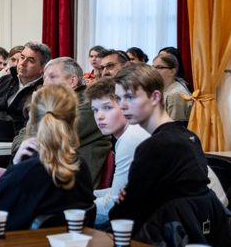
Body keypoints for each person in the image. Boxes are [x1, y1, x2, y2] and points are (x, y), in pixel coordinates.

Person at [0, 84, 94, 232]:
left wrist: (14, 166)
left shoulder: (26, 172)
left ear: (31, 118)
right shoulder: (81, 166)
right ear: (74, 121)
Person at [109, 63, 212, 231]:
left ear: (155, 97)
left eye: (130, 97)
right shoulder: (190, 137)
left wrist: (126, 198)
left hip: (160, 240)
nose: (122, 105)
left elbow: (123, 215)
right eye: (119, 98)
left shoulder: (153, 147)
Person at [36, 57, 111, 183]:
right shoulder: (54, 106)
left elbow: (48, 139)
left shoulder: (90, 106)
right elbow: (22, 138)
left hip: (73, 185)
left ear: (72, 81)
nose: (45, 84)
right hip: (52, 174)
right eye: (44, 78)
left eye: (52, 77)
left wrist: (37, 109)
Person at [86, 77, 150, 227]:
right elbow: (119, 191)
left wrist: (70, 211)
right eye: (95, 110)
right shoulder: (132, 132)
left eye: (107, 107)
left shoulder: (131, 137)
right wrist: (88, 195)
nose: (99, 116)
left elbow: (114, 206)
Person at [0, 41, 49, 138]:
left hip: (14, 144)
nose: (22, 63)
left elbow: (32, 129)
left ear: (42, 68)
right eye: (22, 57)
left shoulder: (43, 91)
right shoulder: (4, 81)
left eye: (31, 60)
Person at [153, 51, 192, 123]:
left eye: (159, 67)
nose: (154, 71)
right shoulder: (165, 88)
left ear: (172, 72)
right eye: (153, 67)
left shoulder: (175, 94)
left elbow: (173, 127)